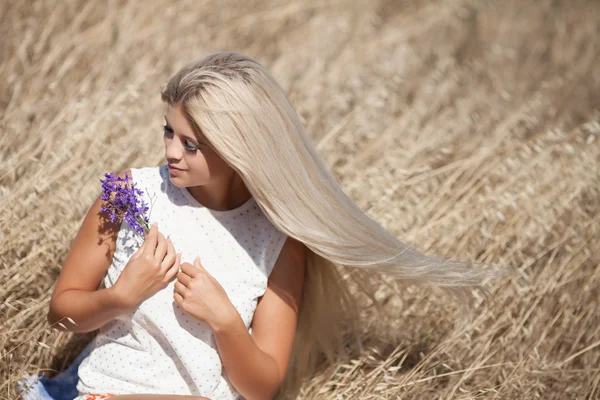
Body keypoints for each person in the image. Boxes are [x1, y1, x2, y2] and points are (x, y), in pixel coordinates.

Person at [18, 52, 503, 400]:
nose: (170, 151)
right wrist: (119, 298)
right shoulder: (127, 195)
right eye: (169, 131)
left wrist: (225, 319)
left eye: (192, 144)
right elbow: (60, 314)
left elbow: (261, 386)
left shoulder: (278, 238)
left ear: (239, 149)